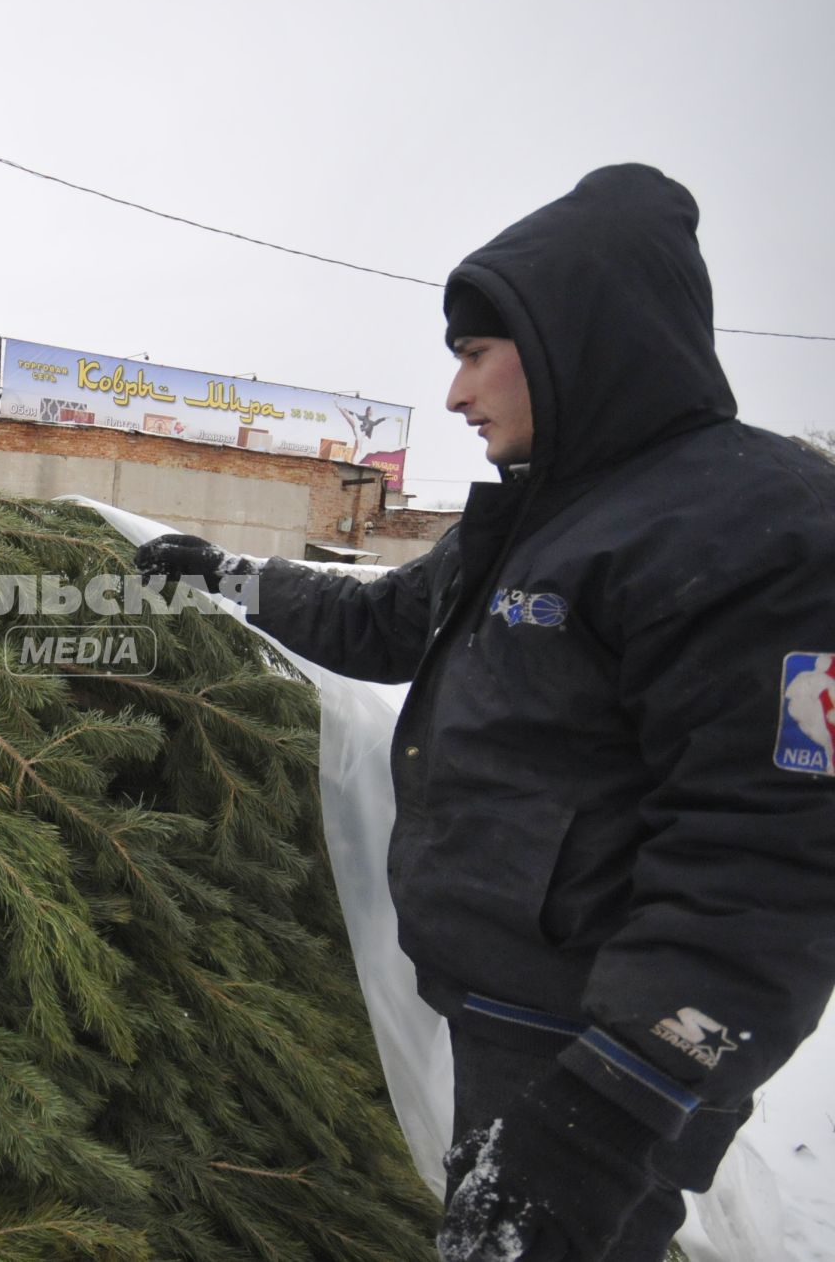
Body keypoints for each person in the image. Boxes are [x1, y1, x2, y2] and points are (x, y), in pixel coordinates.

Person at [136, 164, 835, 1261]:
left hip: (598, 1051)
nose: (456, 394)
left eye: (472, 355)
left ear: (572, 338)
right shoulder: (543, 515)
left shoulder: (757, 528)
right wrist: (228, 573)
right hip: (505, 1005)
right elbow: (388, 621)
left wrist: (613, 1109)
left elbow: (770, 860)